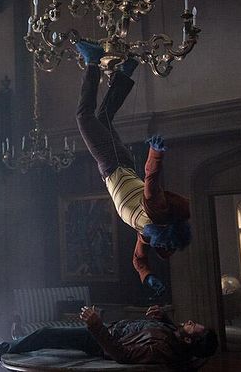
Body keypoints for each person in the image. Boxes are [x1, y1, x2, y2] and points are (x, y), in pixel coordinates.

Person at [74, 40, 192, 297]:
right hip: (114, 163)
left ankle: (126, 71)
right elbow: (151, 180)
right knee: (84, 117)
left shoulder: (146, 233)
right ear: (167, 230)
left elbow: (138, 259)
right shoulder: (156, 212)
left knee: (103, 118)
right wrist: (156, 153)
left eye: (164, 247)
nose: (164, 246)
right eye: (168, 243)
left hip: (117, 164)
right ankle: (92, 61)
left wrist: (147, 276)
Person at [0, 305, 218, 364]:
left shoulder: (162, 348)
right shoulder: (176, 338)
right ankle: (7, 346)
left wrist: (96, 326)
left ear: (189, 340)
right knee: (46, 336)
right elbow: (172, 335)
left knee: (45, 334)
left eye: (193, 327)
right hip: (109, 330)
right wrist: (164, 318)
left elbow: (121, 354)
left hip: (101, 340)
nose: (190, 322)